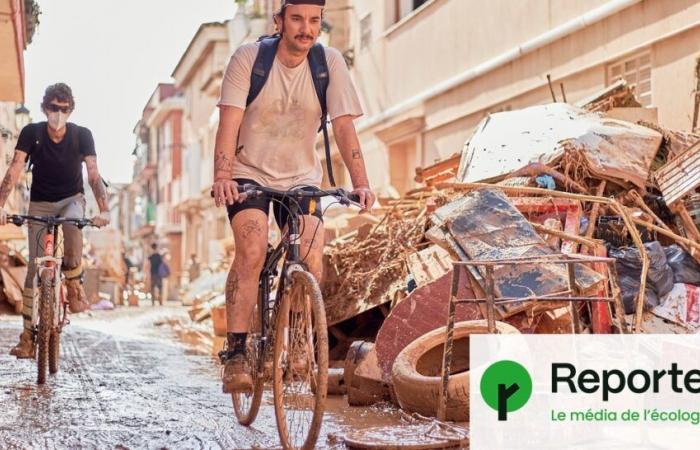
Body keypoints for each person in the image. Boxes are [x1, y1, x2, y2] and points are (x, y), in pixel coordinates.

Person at [212, 0, 375, 393]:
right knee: (252, 250)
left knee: (312, 254)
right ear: (280, 20)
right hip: (248, 173)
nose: (306, 28)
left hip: (302, 176)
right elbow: (229, 121)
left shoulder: (329, 63)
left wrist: (362, 182)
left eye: (314, 21)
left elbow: (344, 128)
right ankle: (235, 353)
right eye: (298, 19)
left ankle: (298, 342)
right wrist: (222, 174)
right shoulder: (249, 59)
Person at [0, 83, 111, 358]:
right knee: (32, 271)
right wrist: (0, 203)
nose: (57, 114)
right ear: (44, 108)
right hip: (39, 203)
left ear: (70, 110)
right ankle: (27, 337)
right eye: (52, 108)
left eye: (63, 109)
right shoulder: (31, 133)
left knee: (74, 223)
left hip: (71, 200)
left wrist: (104, 209)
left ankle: (73, 283)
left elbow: (94, 175)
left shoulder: (82, 136)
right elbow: (15, 168)